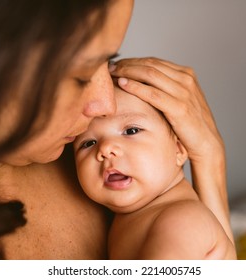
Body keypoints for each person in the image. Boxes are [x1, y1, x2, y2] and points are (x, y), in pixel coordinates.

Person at [0, 0, 234, 259]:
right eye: (80, 74)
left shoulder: (110, 177)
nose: (105, 104)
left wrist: (209, 160)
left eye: (109, 59)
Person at [73, 85, 236, 259]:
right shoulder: (140, 217)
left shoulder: (181, 220)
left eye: (131, 131)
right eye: (88, 143)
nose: (105, 149)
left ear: (178, 149)